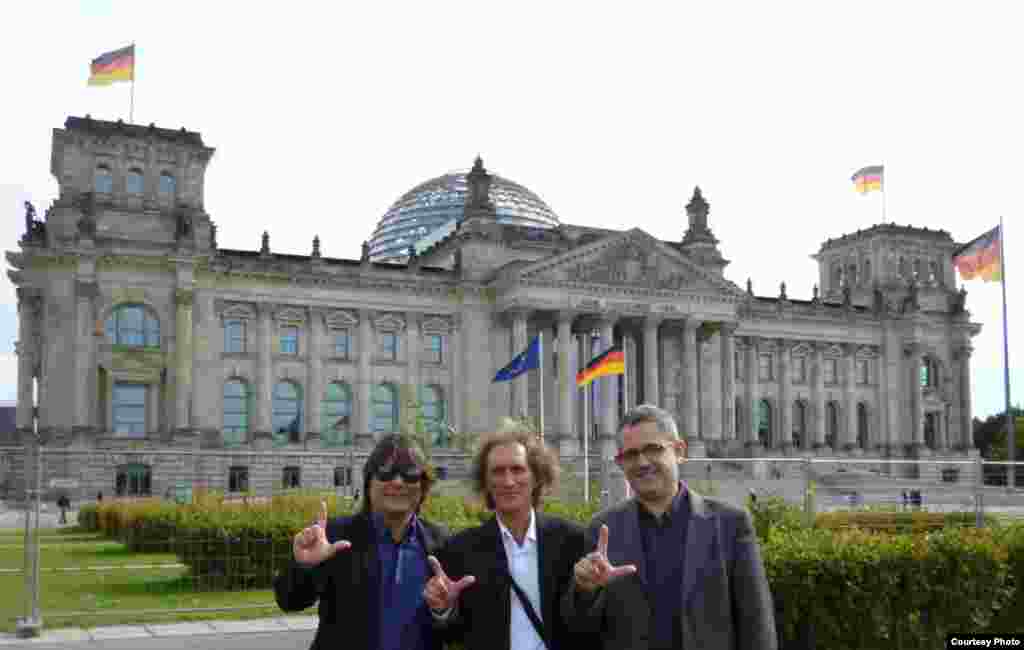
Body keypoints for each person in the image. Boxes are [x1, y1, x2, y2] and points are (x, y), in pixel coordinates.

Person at [563, 404, 777, 650]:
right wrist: (584, 590)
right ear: (620, 463)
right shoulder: (602, 530)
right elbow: (579, 631)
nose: (642, 462)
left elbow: (757, 626)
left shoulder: (730, 524)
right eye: (630, 455)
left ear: (679, 451)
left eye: (653, 449)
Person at [424, 419, 590, 650]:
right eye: (498, 472)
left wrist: (590, 589)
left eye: (518, 469)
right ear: (486, 482)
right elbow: (453, 635)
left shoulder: (572, 541)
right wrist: (443, 609)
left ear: (536, 477)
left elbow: (586, 624)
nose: (508, 481)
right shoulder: (461, 549)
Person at [274, 434, 450, 650]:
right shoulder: (335, 535)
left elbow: (457, 628)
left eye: (410, 474)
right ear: (369, 483)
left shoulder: (441, 541)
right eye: (386, 472)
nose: (397, 482)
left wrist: (443, 611)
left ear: (423, 485)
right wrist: (304, 566)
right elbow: (289, 601)